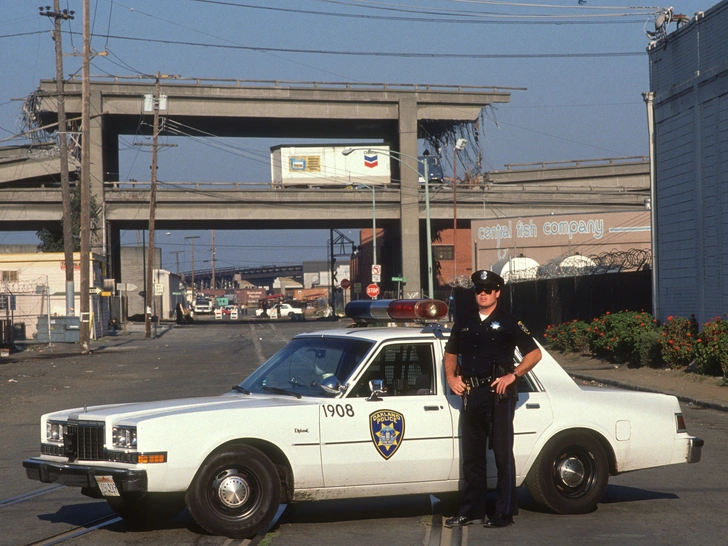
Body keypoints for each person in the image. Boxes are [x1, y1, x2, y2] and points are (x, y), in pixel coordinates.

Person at [444, 270, 542, 529]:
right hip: (472, 394)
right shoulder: (464, 322)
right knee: (472, 457)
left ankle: (503, 512)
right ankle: (470, 511)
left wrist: (514, 375)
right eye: (479, 290)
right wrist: (452, 378)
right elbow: (450, 353)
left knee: (501, 455)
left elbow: (534, 354)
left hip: (498, 395)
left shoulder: (509, 322)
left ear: (498, 292)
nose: (483, 294)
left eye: (488, 290)